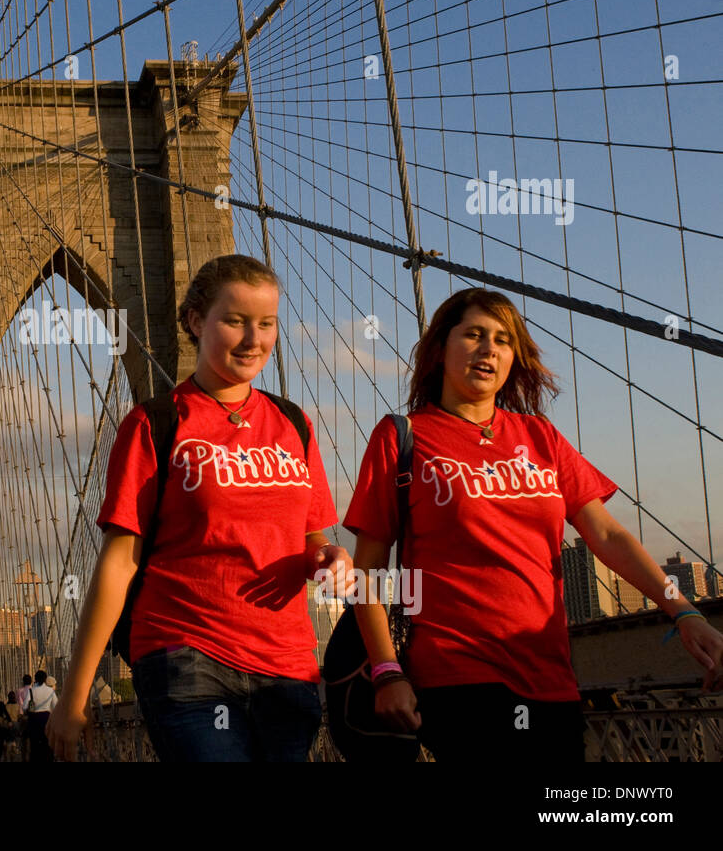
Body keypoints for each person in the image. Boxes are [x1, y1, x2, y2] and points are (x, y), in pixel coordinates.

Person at [344, 287, 723, 761]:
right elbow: (368, 574)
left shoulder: (541, 437)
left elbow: (608, 534)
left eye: (503, 340)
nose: (489, 349)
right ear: (440, 349)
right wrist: (387, 671)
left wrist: (683, 612)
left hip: (552, 680)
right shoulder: (403, 438)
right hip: (458, 677)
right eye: (475, 335)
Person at [47, 254, 352, 762]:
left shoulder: (293, 423)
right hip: (187, 657)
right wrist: (74, 696)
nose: (254, 340)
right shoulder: (156, 423)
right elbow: (120, 561)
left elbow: (309, 536)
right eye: (234, 321)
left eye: (266, 323)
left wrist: (328, 557)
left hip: (288, 666)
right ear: (194, 320)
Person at [26, 669, 59, 761]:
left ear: (35, 679)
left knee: (35, 745)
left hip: (34, 720)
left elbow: (25, 706)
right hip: (46, 719)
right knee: (47, 744)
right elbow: (56, 706)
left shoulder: (31, 691)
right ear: (45, 679)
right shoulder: (50, 691)